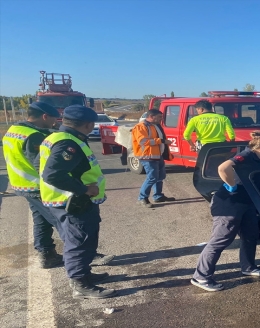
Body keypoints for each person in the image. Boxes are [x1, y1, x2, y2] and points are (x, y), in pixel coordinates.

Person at [39, 105, 116, 299]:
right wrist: (84, 189)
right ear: (89, 125)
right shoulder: (68, 143)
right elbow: (53, 174)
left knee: (80, 239)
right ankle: (80, 283)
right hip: (73, 202)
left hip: (65, 201)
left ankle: (85, 275)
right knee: (79, 242)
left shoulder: (56, 137)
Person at [191, 132, 260, 291]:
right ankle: (201, 277)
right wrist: (231, 185)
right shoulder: (246, 155)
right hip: (229, 204)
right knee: (221, 240)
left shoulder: (259, 158)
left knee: (250, 235)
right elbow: (223, 167)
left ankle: (248, 267)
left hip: (246, 204)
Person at [2, 102, 63, 268]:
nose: (54, 123)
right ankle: (84, 254)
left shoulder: (13, 130)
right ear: (45, 116)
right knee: (61, 220)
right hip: (36, 186)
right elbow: (41, 164)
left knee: (41, 219)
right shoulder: (33, 135)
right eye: (53, 119)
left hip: (21, 184)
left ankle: (46, 255)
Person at [132, 109, 176, 208]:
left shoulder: (155, 126)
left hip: (157, 155)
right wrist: (161, 141)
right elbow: (143, 141)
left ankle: (158, 196)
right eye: (159, 117)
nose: (161, 119)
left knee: (160, 177)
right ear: (152, 116)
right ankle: (142, 198)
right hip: (147, 156)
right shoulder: (141, 126)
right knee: (152, 178)